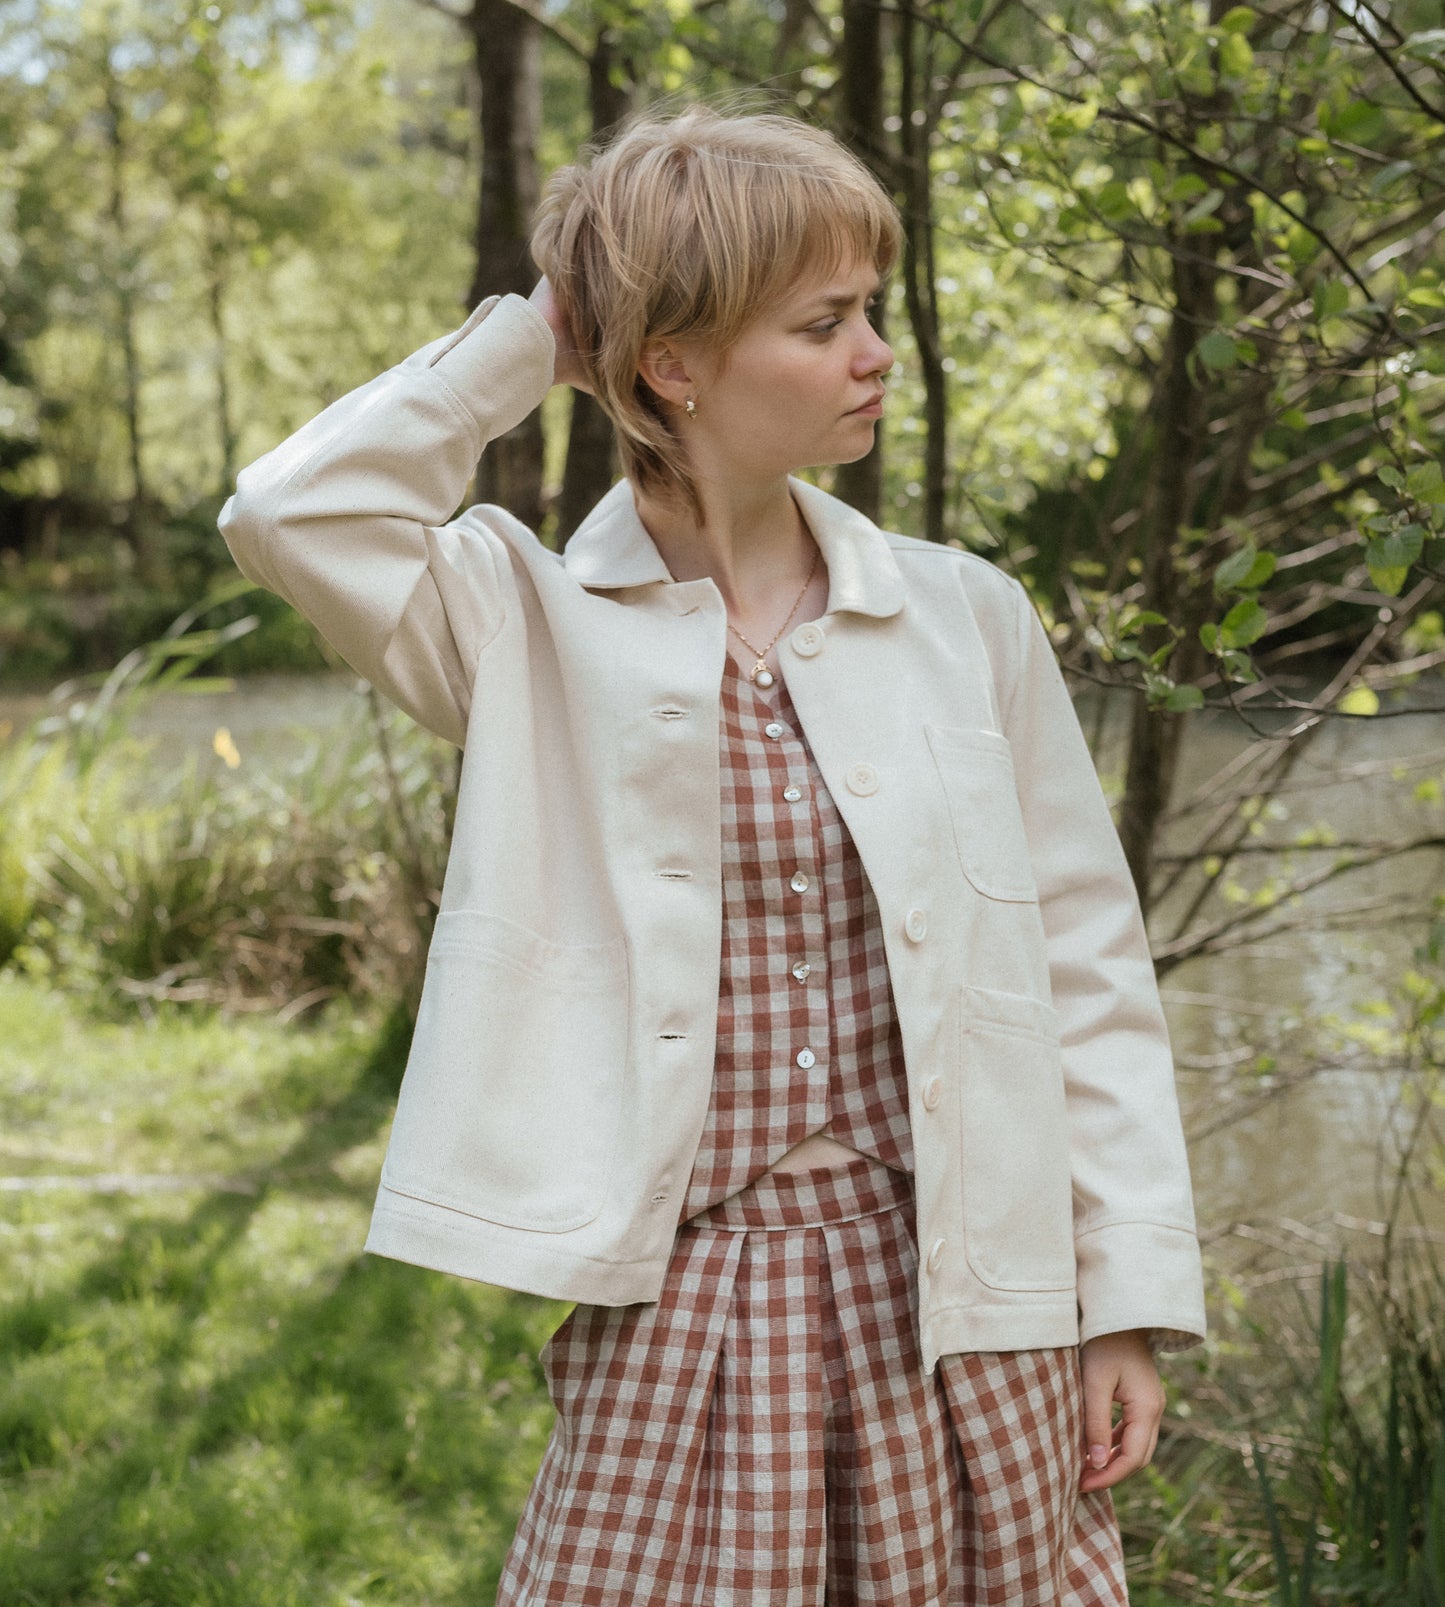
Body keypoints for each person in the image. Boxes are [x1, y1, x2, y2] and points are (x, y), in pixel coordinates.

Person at [219, 104, 1206, 1605]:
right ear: (670, 365)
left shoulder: (963, 617)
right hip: (689, 1312)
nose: (875, 352)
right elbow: (295, 508)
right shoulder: (523, 628)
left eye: (870, 310)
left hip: (969, 1296)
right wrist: (541, 336)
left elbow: (1083, 964)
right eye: (822, 322)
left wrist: (1120, 1298)